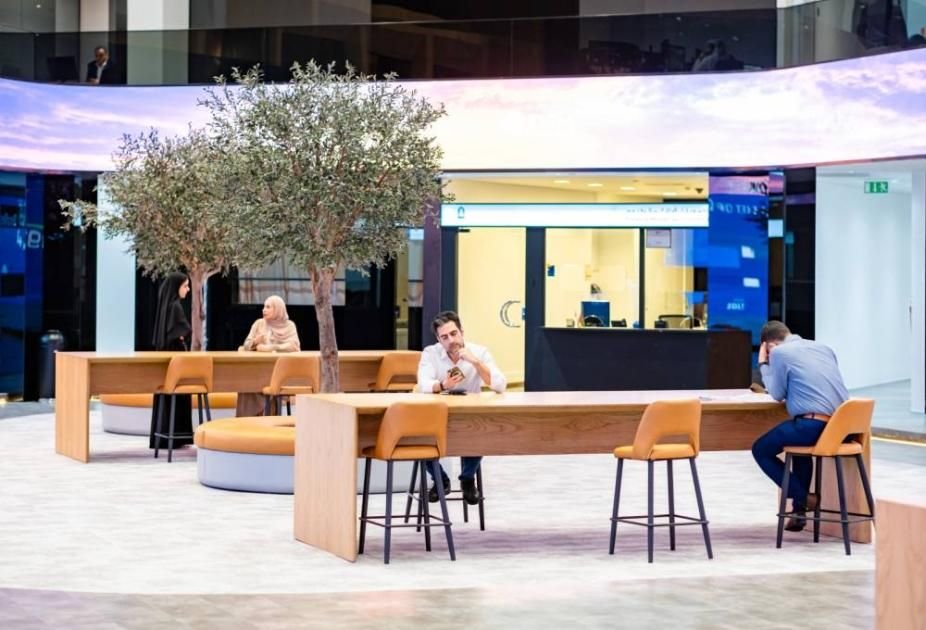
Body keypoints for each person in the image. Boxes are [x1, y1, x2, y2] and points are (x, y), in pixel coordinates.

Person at [751, 321, 849, 531]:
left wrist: (763, 364)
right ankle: (799, 512)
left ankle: (804, 497)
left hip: (813, 425)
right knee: (799, 449)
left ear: (769, 345)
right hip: (842, 428)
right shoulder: (823, 348)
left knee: (760, 450)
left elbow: (777, 394)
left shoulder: (780, 353)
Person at [417, 310, 506, 504]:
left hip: (469, 418)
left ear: (462, 332)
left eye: (454, 334)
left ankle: (467, 478)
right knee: (416, 436)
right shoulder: (431, 353)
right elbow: (423, 384)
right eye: (444, 337)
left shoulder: (479, 352)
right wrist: (443, 385)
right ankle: (440, 479)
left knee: (482, 429)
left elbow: (500, 385)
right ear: (439, 339)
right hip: (437, 415)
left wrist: (476, 363)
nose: (451, 340)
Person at [236, 295, 301, 416]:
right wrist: (255, 342)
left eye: (268, 307)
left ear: (278, 309)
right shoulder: (259, 324)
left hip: (280, 373)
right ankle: (248, 420)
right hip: (258, 370)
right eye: (264, 307)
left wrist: (272, 348)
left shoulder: (289, 326)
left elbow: (294, 346)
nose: (264, 310)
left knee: (271, 384)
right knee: (246, 384)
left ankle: (269, 418)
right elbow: (246, 345)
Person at [150, 272, 194, 449]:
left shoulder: (166, 305)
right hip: (177, 358)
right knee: (179, 394)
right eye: (185, 286)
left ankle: (165, 437)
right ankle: (178, 437)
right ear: (177, 287)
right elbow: (183, 330)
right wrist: (184, 335)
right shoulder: (175, 306)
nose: (188, 290)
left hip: (166, 358)